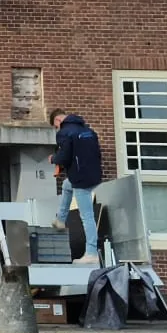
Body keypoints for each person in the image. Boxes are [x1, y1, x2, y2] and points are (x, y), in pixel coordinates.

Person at [49, 108, 104, 266]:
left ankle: (91, 253)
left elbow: (64, 157)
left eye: (55, 126)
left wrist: (53, 158)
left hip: (80, 179)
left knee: (87, 217)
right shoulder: (88, 131)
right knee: (67, 185)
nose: (56, 129)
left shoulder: (64, 133)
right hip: (93, 175)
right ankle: (61, 219)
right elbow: (97, 154)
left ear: (58, 121)